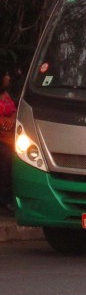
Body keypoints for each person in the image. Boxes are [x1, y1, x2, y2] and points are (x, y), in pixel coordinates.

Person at [0, 67, 17, 213]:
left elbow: (14, 111)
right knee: (6, 157)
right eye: (6, 75)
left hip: (9, 136)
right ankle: (4, 199)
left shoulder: (6, 94)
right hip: (1, 137)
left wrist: (12, 119)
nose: (8, 78)